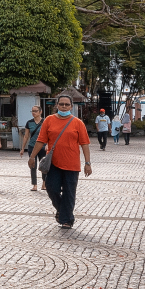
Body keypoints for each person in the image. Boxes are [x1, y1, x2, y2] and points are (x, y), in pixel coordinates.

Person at [34, 94, 94, 228]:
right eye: (61, 104)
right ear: (57, 105)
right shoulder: (49, 120)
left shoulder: (78, 123)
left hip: (72, 164)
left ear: (71, 106)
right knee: (51, 188)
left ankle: (67, 220)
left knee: (69, 192)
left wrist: (87, 163)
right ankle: (63, 212)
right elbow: (40, 140)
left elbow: (85, 144)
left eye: (67, 104)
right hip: (53, 163)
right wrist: (32, 157)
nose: (64, 106)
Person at [20, 106, 43, 191]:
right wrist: (22, 148)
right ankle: (34, 184)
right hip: (32, 146)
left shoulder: (45, 122)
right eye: (32, 111)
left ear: (40, 112)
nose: (34, 113)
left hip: (43, 147)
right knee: (32, 165)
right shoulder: (29, 123)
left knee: (43, 165)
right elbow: (26, 136)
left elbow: (49, 134)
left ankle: (44, 183)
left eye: (35, 111)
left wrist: (48, 144)